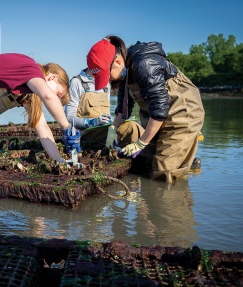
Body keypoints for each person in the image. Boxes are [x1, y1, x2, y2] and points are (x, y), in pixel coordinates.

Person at [86, 36, 205, 182]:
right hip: (157, 115)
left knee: (162, 173)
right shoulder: (125, 73)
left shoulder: (145, 65)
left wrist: (141, 143)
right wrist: (112, 130)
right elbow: (123, 110)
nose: (108, 80)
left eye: (107, 75)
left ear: (117, 62)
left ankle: (181, 164)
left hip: (182, 114)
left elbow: (159, 111)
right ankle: (186, 162)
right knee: (145, 162)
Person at [65, 67, 113, 147]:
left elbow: (107, 113)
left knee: (131, 126)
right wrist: (91, 122)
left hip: (105, 130)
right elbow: (69, 118)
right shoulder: (76, 82)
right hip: (86, 133)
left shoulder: (106, 84)